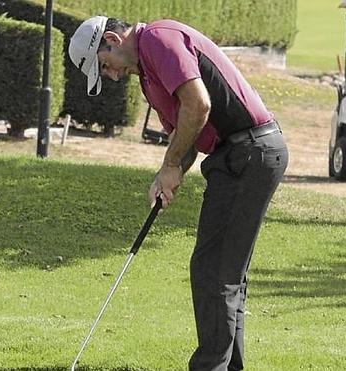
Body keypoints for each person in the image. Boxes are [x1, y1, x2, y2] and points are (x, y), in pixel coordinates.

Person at [69, 16, 288, 371]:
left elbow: (198, 105)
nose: (111, 76)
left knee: (214, 272)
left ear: (111, 39)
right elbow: (184, 133)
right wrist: (167, 174)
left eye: (104, 66)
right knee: (223, 274)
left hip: (250, 151)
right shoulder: (148, 77)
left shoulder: (159, 38)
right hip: (235, 157)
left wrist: (171, 165)